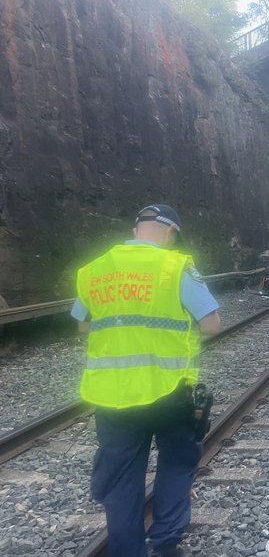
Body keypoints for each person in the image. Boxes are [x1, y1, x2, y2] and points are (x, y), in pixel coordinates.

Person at [71, 204, 221, 557]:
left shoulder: (95, 269)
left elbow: (82, 324)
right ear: (170, 233)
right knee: (177, 461)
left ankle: (126, 551)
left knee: (122, 478)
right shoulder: (175, 266)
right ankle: (166, 543)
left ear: (137, 228)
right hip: (169, 391)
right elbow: (211, 324)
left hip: (111, 394)